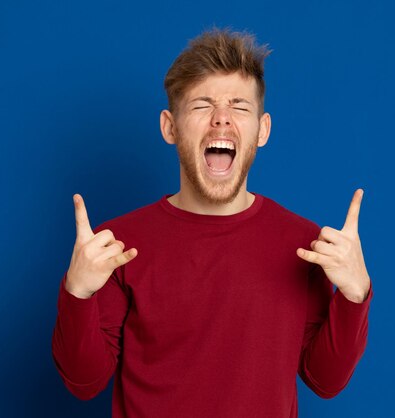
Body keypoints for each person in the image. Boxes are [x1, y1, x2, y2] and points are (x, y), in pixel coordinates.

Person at [52, 28, 373, 418]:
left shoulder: (305, 245)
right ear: (170, 127)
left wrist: (355, 295)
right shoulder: (116, 247)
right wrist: (78, 293)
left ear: (263, 129)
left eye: (239, 106)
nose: (221, 120)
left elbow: (325, 381)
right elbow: (83, 383)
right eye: (202, 105)